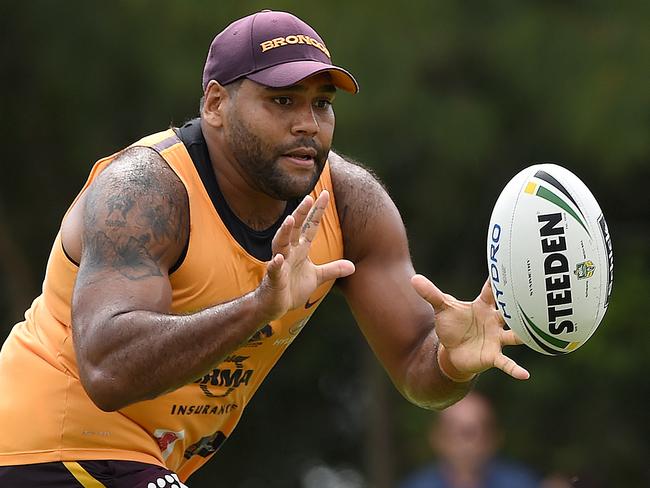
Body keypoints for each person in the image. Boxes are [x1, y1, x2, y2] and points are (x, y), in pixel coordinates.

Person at [0, 9, 529, 488]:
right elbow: (107, 371)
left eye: (322, 104)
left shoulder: (350, 204)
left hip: (144, 464)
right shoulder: (144, 192)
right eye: (282, 101)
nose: (308, 123)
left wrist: (453, 364)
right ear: (215, 105)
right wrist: (259, 307)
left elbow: (417, 368)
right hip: (47, 447)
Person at [400, 392, 539, 488]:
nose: (467, 442)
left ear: (495, 437)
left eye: (475, 431)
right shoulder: (417, 485)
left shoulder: (521, 483)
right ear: (437, 438)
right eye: (455, 431)